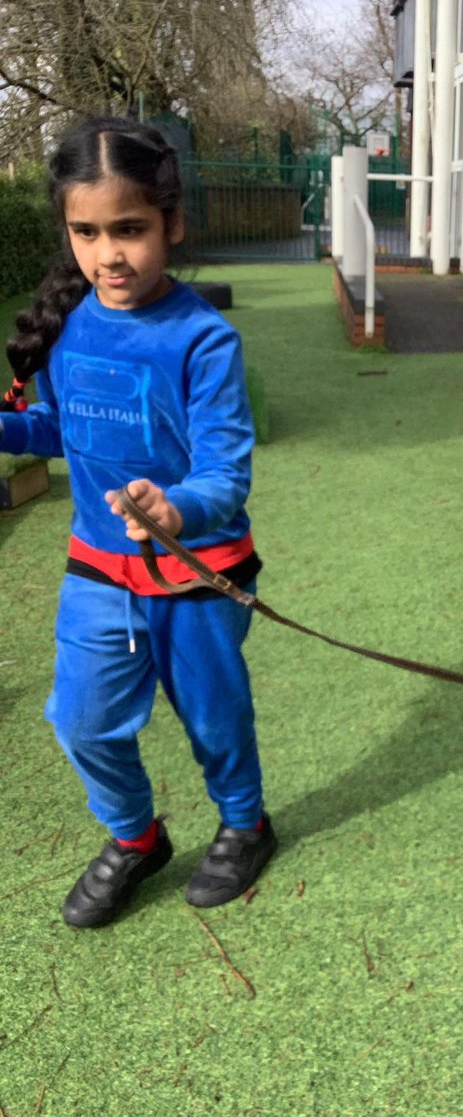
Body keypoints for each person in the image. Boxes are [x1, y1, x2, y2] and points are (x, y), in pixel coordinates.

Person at [0, 116, 276, 926]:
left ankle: (245, 824)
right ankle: (135, 837)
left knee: (215, 719)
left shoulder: (204, 340)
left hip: (198, 572)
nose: (108, 254)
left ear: (172, 224)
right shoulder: (68, 326)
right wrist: (9, 428)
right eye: (86, 233)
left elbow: (225, 472)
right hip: (99, 571)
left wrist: (175, 506)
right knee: (81, 720)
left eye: (129, 229)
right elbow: (59, 430)